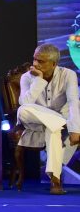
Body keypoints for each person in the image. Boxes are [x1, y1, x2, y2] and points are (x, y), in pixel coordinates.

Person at [17, 43, 80, 195]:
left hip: (54, 126)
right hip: (35, 123)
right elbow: (25, 102)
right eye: (35, 59)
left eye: (41, 61)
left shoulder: (68, 75)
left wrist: (75, 129)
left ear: (54, 64)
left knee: (53, 130)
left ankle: (55, 180)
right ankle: (60, 123)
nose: (35, 64)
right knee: (23, 110)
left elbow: (73, 102)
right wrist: (38, 81)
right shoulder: (26, 77)